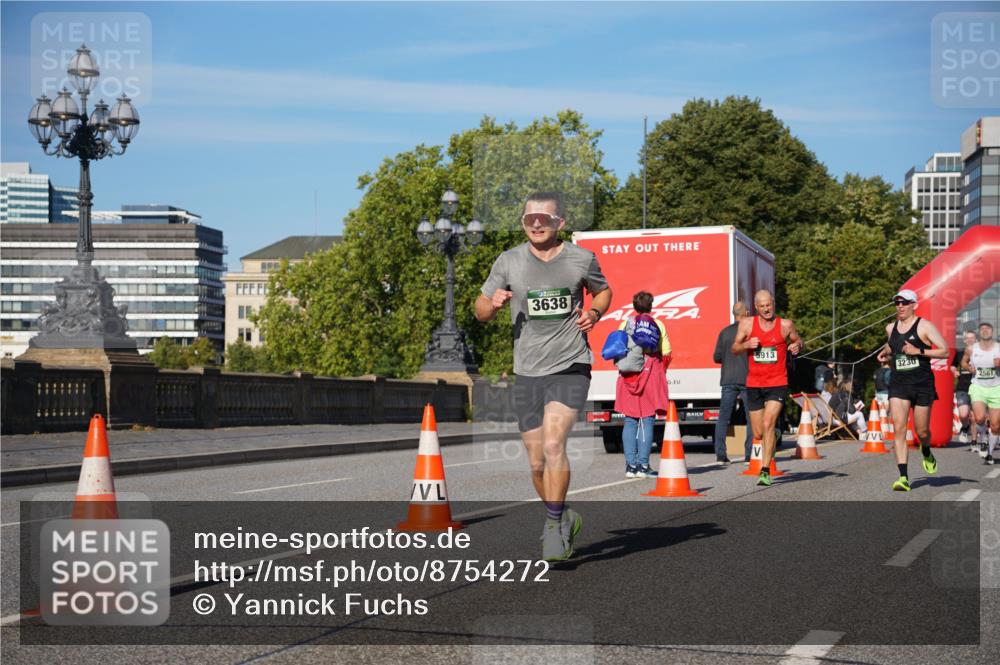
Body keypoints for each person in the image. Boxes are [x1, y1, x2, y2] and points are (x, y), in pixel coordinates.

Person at [475, 191, 612, 562]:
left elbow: (604, 291)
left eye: (544, 218)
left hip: (571, 364)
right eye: (529, 218)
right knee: (536, 462)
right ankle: (562, 514)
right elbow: (480, 311)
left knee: (554, 446)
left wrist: (595, 314)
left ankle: (553, 527)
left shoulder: (581, 259)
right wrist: (493, 303)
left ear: (559, 223)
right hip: (527, 371)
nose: (536, 223)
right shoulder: (508, 261)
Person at [876, 289, 949, 491]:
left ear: (914, 305)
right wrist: (885, 351)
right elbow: (893, 344)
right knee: (899, 428)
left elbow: (944, 350)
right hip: (898, 384)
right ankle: (903, 477)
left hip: (922, 384)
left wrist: (919, 351)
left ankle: (925, 449)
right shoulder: (890, 328)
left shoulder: (925, 326)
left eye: (905, 302)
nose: (900, 306)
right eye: (897, 302)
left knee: (922, 431)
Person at [731, 289, 803, 486]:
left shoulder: (785, 325)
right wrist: (747, 345)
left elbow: (798, 340)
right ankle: (775, 435)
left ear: (773, 303)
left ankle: (765, 471)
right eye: (762, 306)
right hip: (754, 383)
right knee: (758, 433)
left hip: (777, 383)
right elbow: (734, 348)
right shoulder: (747, 324)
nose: (766, 309)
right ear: (756, 307)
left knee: (768, 422)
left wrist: (797, 346)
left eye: (769, 305)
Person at [614, 291, 670, 478]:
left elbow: (618, 347)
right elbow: (666, 352)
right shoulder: (658, 324)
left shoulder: (626, 323)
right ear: (651, 306)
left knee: (630, 420)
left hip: (628, 374)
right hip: (650, 373)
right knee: (647, 420)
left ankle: (630, 467)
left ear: (634, 306)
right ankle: (643, 466)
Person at [712, 301, 752, 465]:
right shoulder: (750, 332)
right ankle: (749, 454)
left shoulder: (724, 333)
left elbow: (716, 357)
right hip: (748, 379)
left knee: (723, 417)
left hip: (728, 379)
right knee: (751, 417)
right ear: (746, 313)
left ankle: (721, 455)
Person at [960, 322, 1000, 465]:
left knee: (995, 425)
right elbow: (963, 362)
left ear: (992, 332)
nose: (984, 331)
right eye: (982, 329)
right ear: (979, 333)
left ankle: (989, 453)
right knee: (979, 418)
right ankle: (983, 438)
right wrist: (969, 368)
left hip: (996, 388)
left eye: (987, 329)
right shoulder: (971, 349)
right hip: (978, 387)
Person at [952, 330, 976, 449]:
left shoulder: (980, 353)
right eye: (968, 338)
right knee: (964, 414)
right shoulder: (960, 352)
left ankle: (974, 441)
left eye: (973, 338)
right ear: (965, 340)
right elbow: (952, 365)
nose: (970, 340)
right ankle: (965, 426)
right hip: (962, 386)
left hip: (977, 386)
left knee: (975, 416)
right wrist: (954, 371)